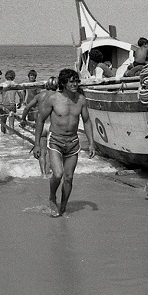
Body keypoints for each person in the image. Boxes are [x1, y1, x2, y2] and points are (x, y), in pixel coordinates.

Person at [32, 69, 96, 217]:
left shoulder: (81, 99)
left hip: (73, 142)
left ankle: (63, 206)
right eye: (71, 81)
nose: (75, 84)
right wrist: (37, 144)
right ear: (63, 83)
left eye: (76, 81)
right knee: (58, 174)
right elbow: (40, 120)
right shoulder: (53, 98)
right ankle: (52, 196)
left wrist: (91, 143)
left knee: (69, 178)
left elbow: (87, 121)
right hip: (55, 141)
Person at [20, 76, 58, 177]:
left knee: (42, 151)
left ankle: (43, 174)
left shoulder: (40, 95)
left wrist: (23, 119)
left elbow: (27, 107)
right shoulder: (58, 96)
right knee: (51, 151)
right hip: (52, 125)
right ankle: (51, 172)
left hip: (41, 125)